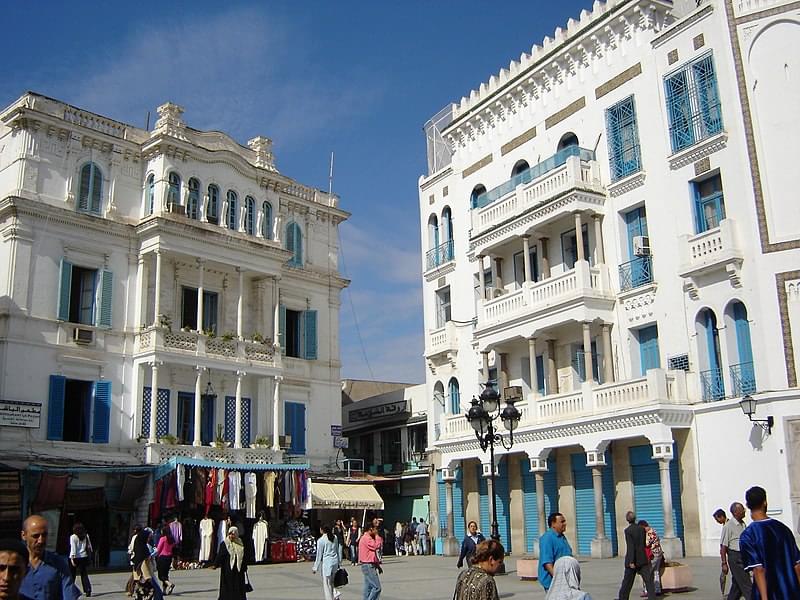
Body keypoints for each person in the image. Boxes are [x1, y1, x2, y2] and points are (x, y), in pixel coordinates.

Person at [739, 485, 800, 600]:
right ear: (765, 502)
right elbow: (797, 565)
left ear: (747, 505)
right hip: (790, 592)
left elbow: (758, 569)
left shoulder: (748, 535)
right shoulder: (784, 529)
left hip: (769, 593)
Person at [19, 515, 80, 600]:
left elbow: (69, 595)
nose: (41, 540)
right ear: (23, 535)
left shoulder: (58, 564)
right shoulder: (14, 564)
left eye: (44, 535)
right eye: (35, 536)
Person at [617, 511, 654, 600]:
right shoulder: (642, 529)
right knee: (648, 581)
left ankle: (623, 598)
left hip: (633, 560)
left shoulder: (628, 531)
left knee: (627, 582)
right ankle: (652, 597)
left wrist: (631, 561)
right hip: (642, 558)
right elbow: (643, 544)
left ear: (627, 520)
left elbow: (631, 547)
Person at [720, 502, 752, 600]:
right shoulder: (728, 526)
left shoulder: (743, 524)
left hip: (743, 556)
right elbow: (723, 547)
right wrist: (724, 563)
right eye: (742, 509)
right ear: (736, 512)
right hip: (735, 557)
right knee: (747, 585)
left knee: (737, 586)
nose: (744, 511)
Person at [538, 512, 573, 591]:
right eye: (562, 522)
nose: (565, 524)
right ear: (553, 524)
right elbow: (547, 563)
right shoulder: (547, 538)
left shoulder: (561, 537)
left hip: (566, 580)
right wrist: (559, 580)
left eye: (565, 521)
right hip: (554, 583)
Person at [213, 526, 248, 600]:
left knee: (238, 586)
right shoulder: (225, 544)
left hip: (238, 570)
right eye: (230, 534)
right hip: (228, 570)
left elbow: (243, 556)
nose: (231, 536)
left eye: (233, 534)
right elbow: (220, 555)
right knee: (228, 586)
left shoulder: (240, 543)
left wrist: (244, 567)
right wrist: (215, 564)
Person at [312, 525, 341, 600]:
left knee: (326, 583)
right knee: (332, 581)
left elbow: (319, 555)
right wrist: (339, 563)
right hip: (335, 561)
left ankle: (331, 596)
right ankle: (334, 593)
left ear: (322, 530)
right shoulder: (334, 537)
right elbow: (337, 550)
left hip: (327, 563)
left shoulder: (321, 540)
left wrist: (315, 567)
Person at [638, 520, 663, 596]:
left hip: (653, 555)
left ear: (643, 526)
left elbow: (646, 543)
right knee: (656, 572)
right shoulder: (654, 530)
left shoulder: (649, 533)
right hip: (658, 554)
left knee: (647, 572)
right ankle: (657, 589)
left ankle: (647, 590)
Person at [358, 523, 383, 600]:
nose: (376, 531)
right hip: (368, 565)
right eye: (375, 529)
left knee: (368, 587)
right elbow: (376, 546)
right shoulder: (367, 538)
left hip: (369, 564)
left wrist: (377, 565)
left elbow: (372, 555)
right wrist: (377, 536)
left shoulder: (366, 538)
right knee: (377, 587)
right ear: (370, 529)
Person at [68, 523, 92, 598]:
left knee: (72, 575)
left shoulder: (73, 537)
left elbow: (73, 548)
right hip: (84, 556)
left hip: (75, 557)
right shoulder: (86, 536)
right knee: (84, 574)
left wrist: (72, 558)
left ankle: (70, 590)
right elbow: (89, 547)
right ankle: (88, 590)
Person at [155, 526, 176, 595]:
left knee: (161, 576)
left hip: (162, 557)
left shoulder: (163, 539)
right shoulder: (172, 539)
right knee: (166, 574)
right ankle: (164, 590)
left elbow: (158, 549)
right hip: (169, 557)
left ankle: (170, 584)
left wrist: (155, 555)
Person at [714, 508, 729, 597]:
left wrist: (724, 562)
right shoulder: (725, 525)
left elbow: (724, 544)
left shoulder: (727, 526)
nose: (717, 521)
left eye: (717, 519)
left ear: (722, 517)